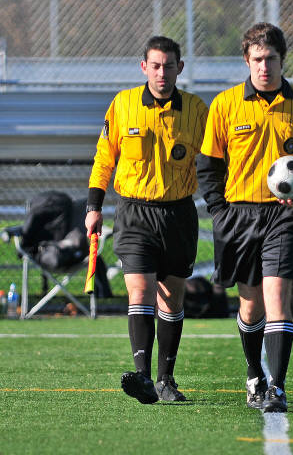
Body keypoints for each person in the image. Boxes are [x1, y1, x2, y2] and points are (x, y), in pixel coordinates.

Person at [197, 22, 293, 413]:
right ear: (246, 60)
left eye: (271, 59)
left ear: (281, 60)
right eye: (257, 59)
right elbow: (208, 165)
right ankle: (254, 373)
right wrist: (219, 211)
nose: (264, 67)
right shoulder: (225, 104)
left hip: (285, 216)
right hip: (237, 216)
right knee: (250, 305)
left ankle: (277, 387)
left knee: (278, 300)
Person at [85, 36, 209, 404]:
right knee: (140, 290)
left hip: (179, 213)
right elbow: (104, 159)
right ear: (144, 67)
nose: (162, 72)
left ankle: (165, 380)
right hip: (134, 213)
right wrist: (94, 207)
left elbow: (214, 160)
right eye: (155, 65)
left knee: (172, 298)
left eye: (168, 66)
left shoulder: (197, 110)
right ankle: (141, 377)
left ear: (179, 68)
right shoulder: (123, 105)